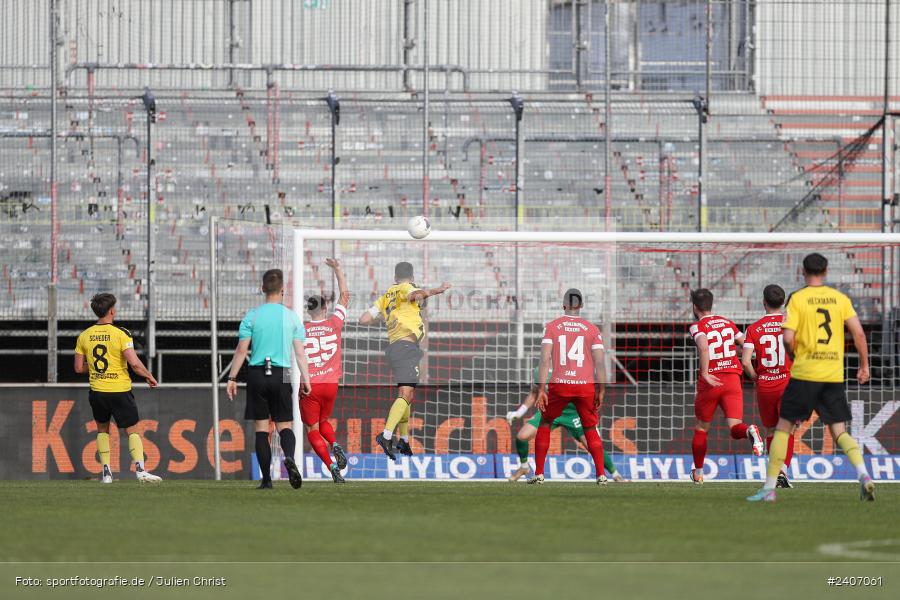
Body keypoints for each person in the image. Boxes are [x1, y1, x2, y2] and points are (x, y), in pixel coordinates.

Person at [748, 253, 875, 502]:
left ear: (802, 272)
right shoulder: (840, 299)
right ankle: (864, 476)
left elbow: (786, 338)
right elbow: (859, 334)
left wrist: (795, 355)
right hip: (832, 373)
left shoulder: (798, 299)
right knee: (840, 431)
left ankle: (769, 489)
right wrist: (864, 365)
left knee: (782, 429)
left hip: (805, 372)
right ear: (826, 271)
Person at [226, 269, 312, 490]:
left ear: (263, 288)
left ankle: (266, 480)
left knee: (262, 429)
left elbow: (241, 351)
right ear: (283, 290)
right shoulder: (292, 317)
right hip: (282, 371)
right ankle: (290, 458)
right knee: (285, 425)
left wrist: (232, 377)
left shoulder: (252, 316)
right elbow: (300, 353)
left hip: (256, 372)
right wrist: (306, 378)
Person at [359, 261, 450, 460]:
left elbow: (363, 319)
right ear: (411, 276)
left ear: (395, 275)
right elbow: (414, 295)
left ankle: (404, 440)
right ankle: (386, 435)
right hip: (406, 347)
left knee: (406, 395)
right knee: (406, 394)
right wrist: (437, 290)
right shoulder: (405, 288)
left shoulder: (385, 296)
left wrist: (386, 317)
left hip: (396, 348)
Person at [74, 293, 161, 483]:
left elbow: (79, 368)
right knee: (133, 431)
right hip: (119, 390)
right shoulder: (121, 334)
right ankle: (140, 470)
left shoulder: (84, 336)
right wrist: (149, 376)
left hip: (97, 391)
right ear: (112, 310)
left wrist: (97, 368)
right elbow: (135, 364)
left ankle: (106, 473)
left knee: (102, 431)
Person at [528, 289, 609, 485]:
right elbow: (599, 362)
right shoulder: (592, 329)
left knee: (545, 423)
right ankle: (601, 475)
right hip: (585, 386)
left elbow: (545, 358)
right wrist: (602, 388)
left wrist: (541, 389)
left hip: (560, 385)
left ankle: (539, 474)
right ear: (581, 306)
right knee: (590, 427)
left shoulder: (552, 327)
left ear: (563, 305)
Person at [688, 289, 764, 485]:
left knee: (702, 428)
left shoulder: (697, 326)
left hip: (711, 381)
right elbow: (745, 342)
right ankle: (750, 430)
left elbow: (704, 347)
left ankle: (698, 473)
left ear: (695, 307)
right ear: (711, 305)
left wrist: (705, 372)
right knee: (735, 427)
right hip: (732, 378)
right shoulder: (727, 323)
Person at [506, 365, 625, 482]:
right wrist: (519, 412)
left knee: (591, 445)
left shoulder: (575, 368)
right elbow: (535, 392)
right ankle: (524, 467)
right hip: (551, 409)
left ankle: (615, 474)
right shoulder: (541, 369)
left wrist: (588, 415)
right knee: (522, 436)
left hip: (573, 413)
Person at [741, 284, 795, 488]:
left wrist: (756, 377)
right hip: (788, 383)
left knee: (772, 430)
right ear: (783, 303)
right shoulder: (792, 324)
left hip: (766, 386)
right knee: (787, 430)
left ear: (764, 302)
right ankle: (783, 471)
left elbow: (745, 361)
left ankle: (774, 472)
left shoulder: (753, 328)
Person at [303, 258, 350, 484]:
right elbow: (344, 296)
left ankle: (331, 466)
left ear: (308, 310)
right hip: (331, 384)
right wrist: (338, 269)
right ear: (325, 308)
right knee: (324, 421)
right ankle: (336, 444)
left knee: (312, 428)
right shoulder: (335, 323)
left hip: (309, 385)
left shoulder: (300, 329)